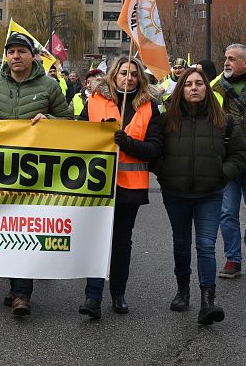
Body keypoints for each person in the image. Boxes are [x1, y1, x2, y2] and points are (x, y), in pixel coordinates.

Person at [0, 32, 73, 317]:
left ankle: (22, 293)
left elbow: (68, 122)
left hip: (35, 174)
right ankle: (15, 284)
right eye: (11, 52)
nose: (16, 56)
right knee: (4, 228)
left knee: (25, 228)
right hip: (0, 171)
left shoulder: (49, 86)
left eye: (21, 51)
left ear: (33, 56)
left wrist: (50, 120)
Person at [153, 67, 246, 325]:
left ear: (206, 88)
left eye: (199, 83)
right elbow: (153, 151)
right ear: (181, 89)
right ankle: (182, 291)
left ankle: (208, 302)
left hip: (210, 194)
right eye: (188, 84)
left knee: (206, 245)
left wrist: (222, 174)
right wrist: (165, 172)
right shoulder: (166, 120)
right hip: (175, 193)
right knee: (181, 244)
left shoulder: (223, 120)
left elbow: (241, 154)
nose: (194, 88)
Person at [77, 57, 163, 319]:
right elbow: (77, 137)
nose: (129, 78)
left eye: (134, 74)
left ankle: (118, 293)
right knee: (97, 239)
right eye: (124, 73)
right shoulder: (94, 101)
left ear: (140, 78)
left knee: (122, 242)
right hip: (97, 185)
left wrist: (127, 143)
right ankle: (93, 296)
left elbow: (155, 149)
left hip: (130, 188)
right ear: (114, 75)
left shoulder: (149, 107)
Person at [212, 44, 246, 279]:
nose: (226, 62)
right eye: (225, 58)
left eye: (232, 59)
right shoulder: (216, 87)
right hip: (228, 161)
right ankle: (233, 259)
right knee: (227, 213)